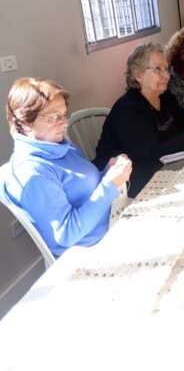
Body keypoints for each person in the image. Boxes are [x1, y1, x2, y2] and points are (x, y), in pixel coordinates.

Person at [0, 78, 132, 257]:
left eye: (63, 115)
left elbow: (86, 192)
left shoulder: (61, 147)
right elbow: (66, 234)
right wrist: (109, 185)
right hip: (92, 249)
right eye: (54, 117)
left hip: (114, 221)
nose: (65, 123)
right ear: (25, 123)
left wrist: (109, 172)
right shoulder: (33, 173)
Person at [93, 42, 184, 198]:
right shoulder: (128, 108)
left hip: (160, 167)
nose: (166, 76)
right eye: (157, 69)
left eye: (166, 69)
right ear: (138, 75)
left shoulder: (164, 96)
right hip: (124, 183)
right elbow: (150, 154)